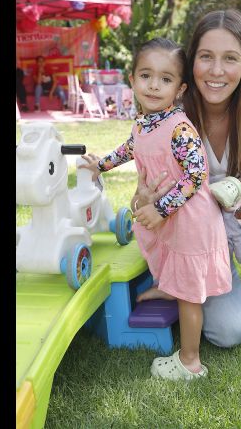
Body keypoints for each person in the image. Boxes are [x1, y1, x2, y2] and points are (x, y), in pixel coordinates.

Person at [130, 9, 241, 348]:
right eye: (205, 57)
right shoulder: (172, 107)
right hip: (193, 237)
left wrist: (239, 186)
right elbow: (142, 192)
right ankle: (177, 284)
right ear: (191, 61)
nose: (216, 71)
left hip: (239, 220)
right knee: (227, 332)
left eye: (230, 58)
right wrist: (144, 198)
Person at [79, 38, 231, 380]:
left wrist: (161, 208)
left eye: (165, 79)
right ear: (132, 79)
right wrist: (100, 165)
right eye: (146, 75)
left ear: (179, 88)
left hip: (190, 220)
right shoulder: (143, 122)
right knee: (160, 249)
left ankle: (190, 361)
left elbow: (197, 175)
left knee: (191, 296)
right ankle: (167, 285)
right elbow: (130, 148)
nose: (153, 85)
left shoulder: (178, 128)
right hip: (170, 215)